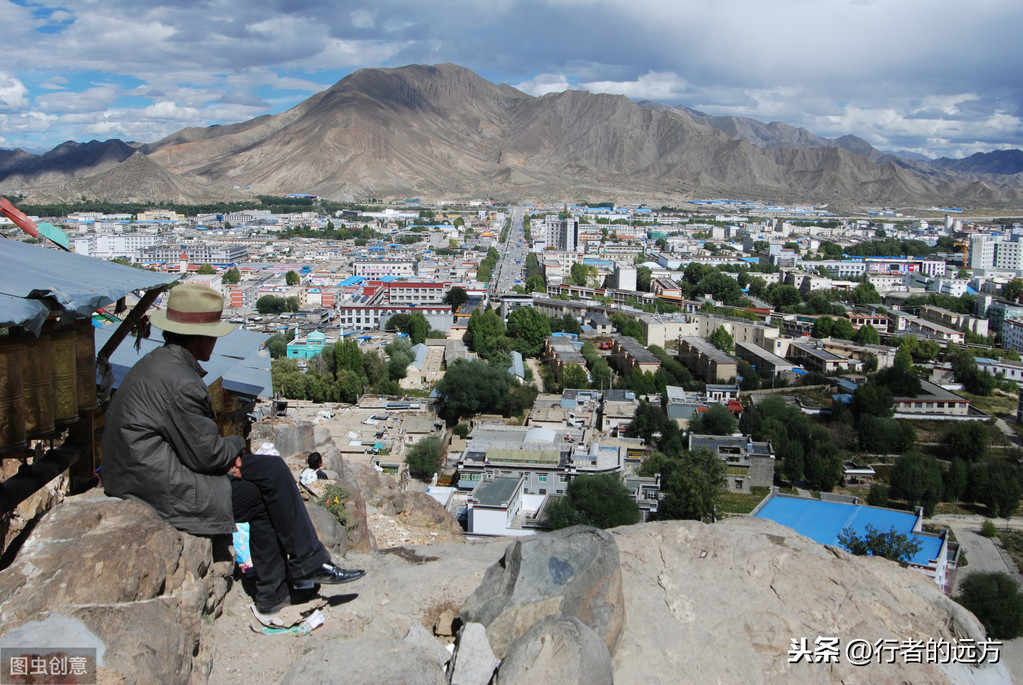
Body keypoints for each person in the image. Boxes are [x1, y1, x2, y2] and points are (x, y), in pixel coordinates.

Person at [101, 284, 364, 614]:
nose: (215, 341)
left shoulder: (161, 364)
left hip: (145, 469)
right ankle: (295, 574)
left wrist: (232, 456)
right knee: (261, 488)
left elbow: (197, 446)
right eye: (212, 334)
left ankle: (287, 581)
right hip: (154, 484)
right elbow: (207, 454)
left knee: (267, 475)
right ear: (198, 337)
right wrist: (237, 447)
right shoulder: (182, 383)